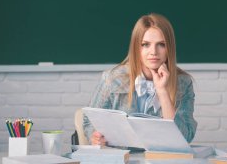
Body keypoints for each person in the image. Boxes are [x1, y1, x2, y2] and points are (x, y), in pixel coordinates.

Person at [83, 13, 197, 146]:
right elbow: (88, 121)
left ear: (169, 48)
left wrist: (162, 91)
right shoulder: (113, 78)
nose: (153, 52)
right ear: (136, 48)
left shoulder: (183, 83)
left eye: (161, 44)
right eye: (145, 44)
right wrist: (95, 136)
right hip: (121, 157)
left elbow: (184, 138)